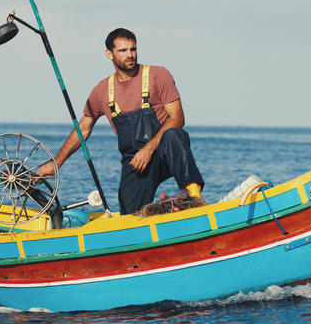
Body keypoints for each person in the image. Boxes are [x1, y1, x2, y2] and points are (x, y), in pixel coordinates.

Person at [37, 28, 204, 215]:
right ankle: (166, 204)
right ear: (109, 54)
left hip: (164, 151)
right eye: (123, 51)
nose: (130, 55)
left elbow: (177, 119)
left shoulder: (158, 75)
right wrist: (56, 163)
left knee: (174, 135)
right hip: (135, 162)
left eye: (133, 49)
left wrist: (148, 149)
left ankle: (194, 198)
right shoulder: (102, 90)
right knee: (131, 215)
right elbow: (83, 129)